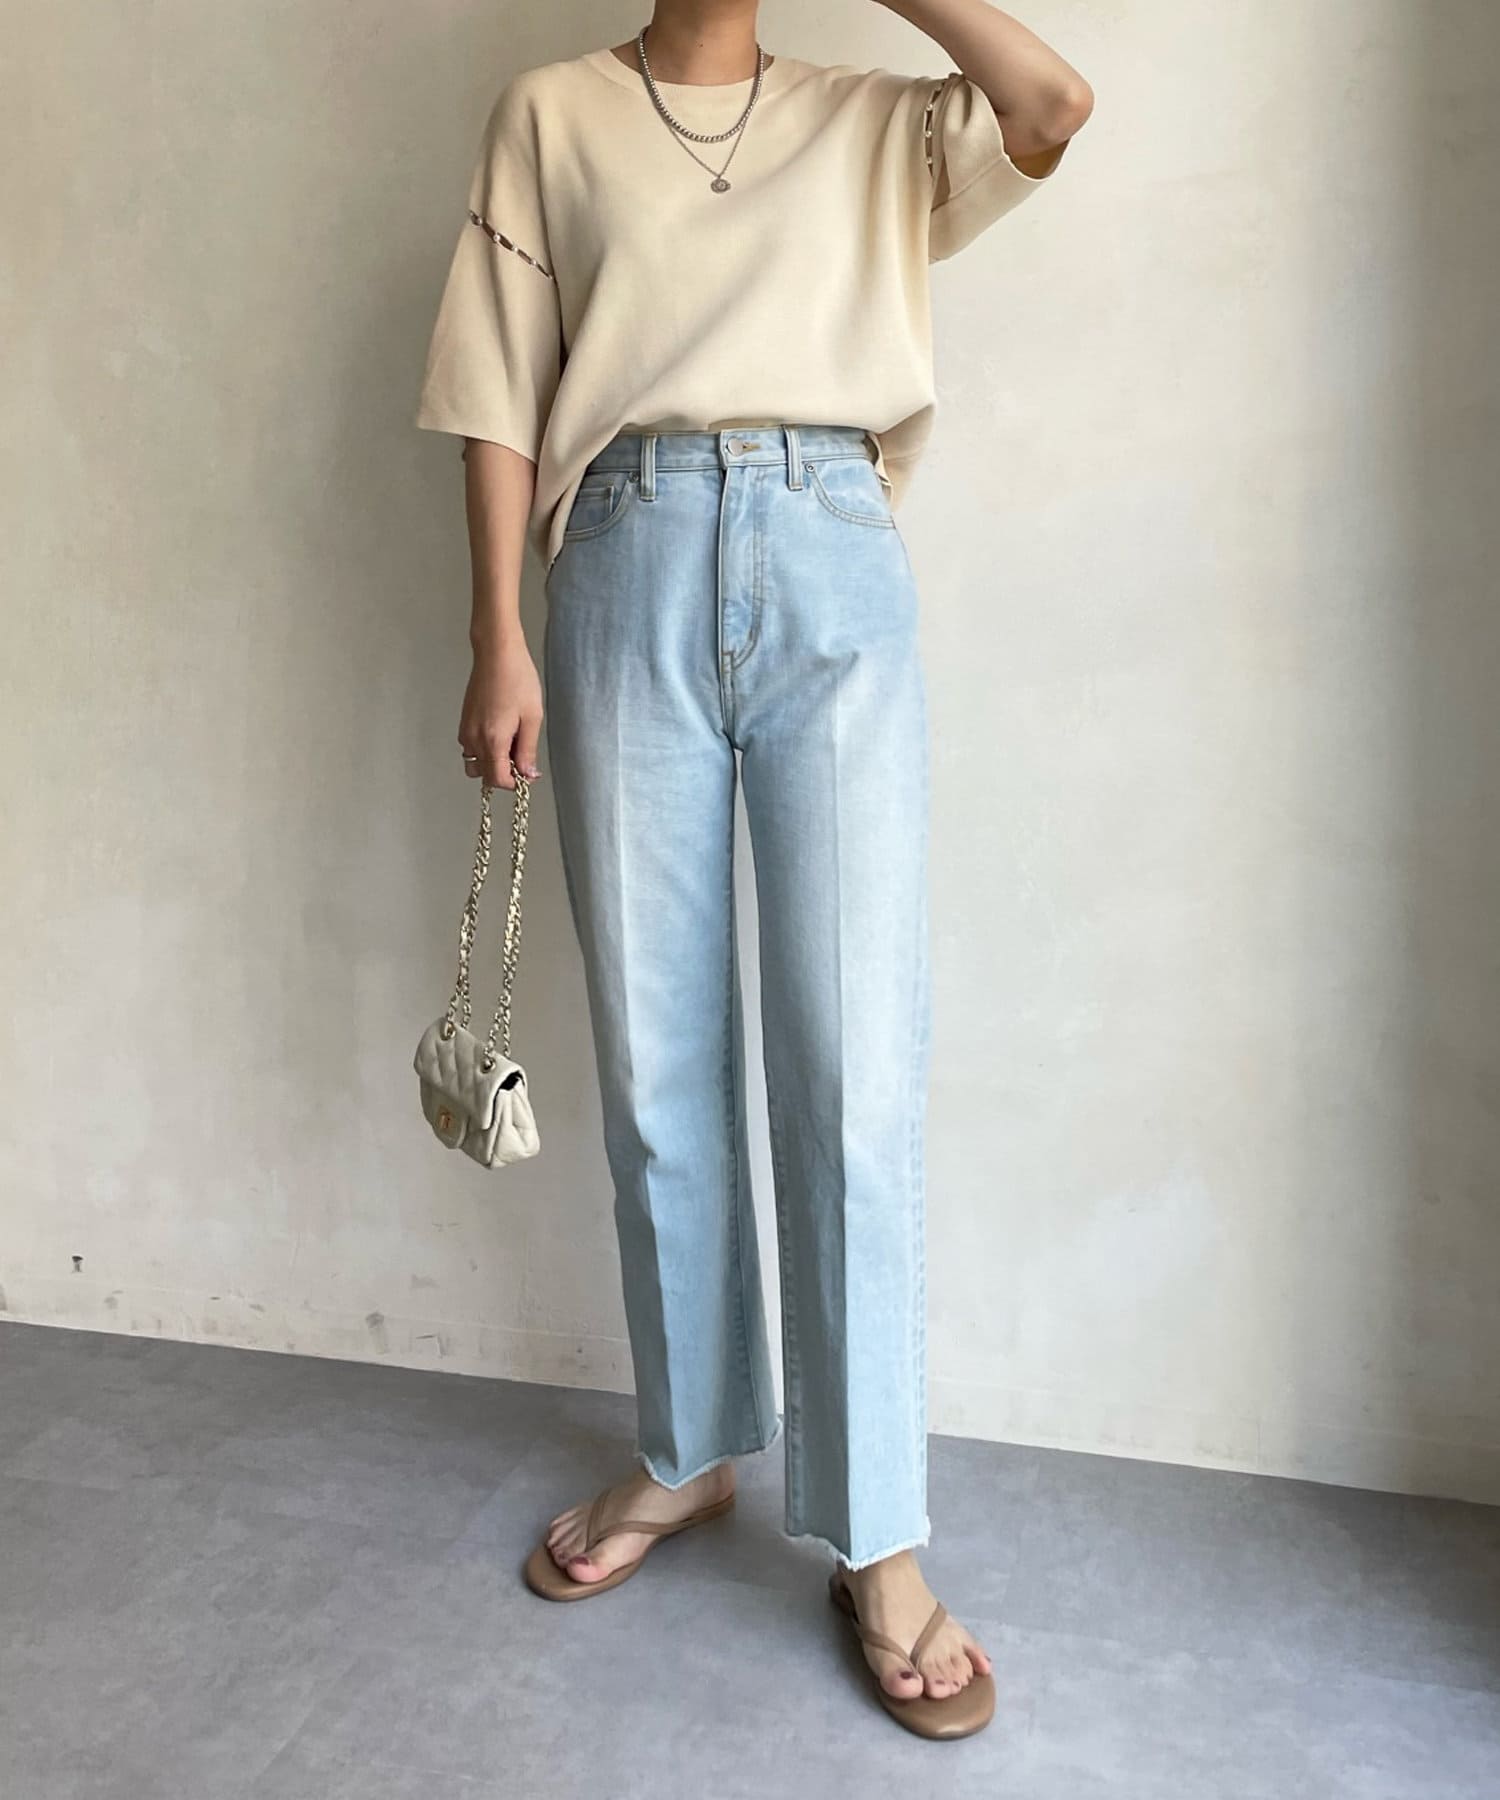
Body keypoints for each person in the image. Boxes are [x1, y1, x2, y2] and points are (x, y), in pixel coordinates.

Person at [414, 0, 1091, 1740]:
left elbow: (1052, 102)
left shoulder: (876, 119)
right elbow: (496, 382)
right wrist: (497, 633)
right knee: (657, 1057)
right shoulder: (552, 114)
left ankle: (878, 1531)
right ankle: (692, 1445)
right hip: (620, 552)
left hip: (829, 544)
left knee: (854, 1067)